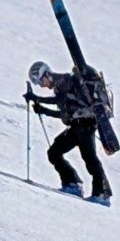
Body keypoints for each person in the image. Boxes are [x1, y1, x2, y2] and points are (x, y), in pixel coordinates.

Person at [25, 60, 114, 203]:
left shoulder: (64, 80)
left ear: (46, 74)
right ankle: (73, 184)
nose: (41, 85)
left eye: (40, 81)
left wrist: (37, 99)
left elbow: (59, 100)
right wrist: (43, 110)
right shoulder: (59, 85)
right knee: (54, 153)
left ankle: (102, 193)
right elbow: (66, 113)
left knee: (90, 159)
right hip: (78, 127)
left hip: (85, 125)